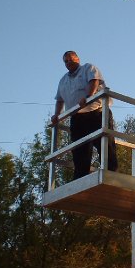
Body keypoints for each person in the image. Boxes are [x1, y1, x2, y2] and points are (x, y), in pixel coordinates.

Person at [51, 51, 118, 179]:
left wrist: (88, 97)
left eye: (71, 59)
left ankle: (111, 175)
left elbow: (94, 81)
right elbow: (60, 100)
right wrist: (56, 115)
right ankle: (80, 178)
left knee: (104, 145)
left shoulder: (88, 68)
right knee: (79, 150)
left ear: (78, 58)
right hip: (77, 118)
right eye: (65, 61)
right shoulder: (63, 80)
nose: (68, 63)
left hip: (97, 113)